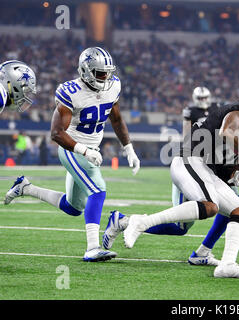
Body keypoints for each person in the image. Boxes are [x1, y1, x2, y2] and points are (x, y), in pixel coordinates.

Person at [107, 102, 239, 279]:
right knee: (209, 207)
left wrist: (235, 173)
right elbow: (227, 132)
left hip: (205, 169)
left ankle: (227, 265)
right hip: (189, 159)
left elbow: (224, 165)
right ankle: (140, 222)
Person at [4, 47, 140, 262]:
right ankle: (93, 248)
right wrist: (83, 150)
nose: (106, 77)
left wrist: (129, 148)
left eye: (108, 72)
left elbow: (116, 119)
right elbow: (56, 133)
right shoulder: (70, 92)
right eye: (100, 73)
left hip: (91, 150)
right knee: (98, 190)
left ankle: (25, 188)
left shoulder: (113, 86)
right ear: (86, 71)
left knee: (73, 207)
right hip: (72, 148)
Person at [105, 145, 239, 268]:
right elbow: (221, 168)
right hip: (196, 171)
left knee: (232, 212)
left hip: (211, 179)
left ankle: (202, 253)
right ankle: (124, 221)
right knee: (183, 227)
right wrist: (236, 197)